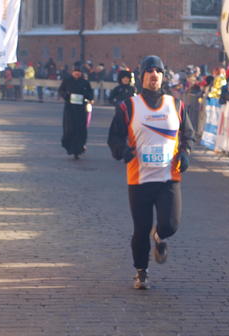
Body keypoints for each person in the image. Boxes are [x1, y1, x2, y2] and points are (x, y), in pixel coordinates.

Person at [107, 55, 195, 290]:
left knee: (171, 225)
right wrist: (122, 151)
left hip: (169, 177)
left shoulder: (176, 105)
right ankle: (141, 272)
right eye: (149, 71)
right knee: (141, 229)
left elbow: (188, 134)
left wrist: (185, 153)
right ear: (142, 76)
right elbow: (114, 137)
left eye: (158, 71)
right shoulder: (128, 106)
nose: (154, 74)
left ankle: (160, 236)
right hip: (140, 179)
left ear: (163, 76)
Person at [58, 61, 94, 159]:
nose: (77, 73)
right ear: (72, 72)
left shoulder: (85, 82)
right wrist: (66, 96)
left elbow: (90, 93)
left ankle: (78, 148)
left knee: (80, 129)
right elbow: (61, 90)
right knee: (69, 129)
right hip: (70, 109)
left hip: (81, 109)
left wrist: (89, 98)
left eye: (78, 72)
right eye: (75, 72)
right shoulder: (67, 81)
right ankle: (69, 146)